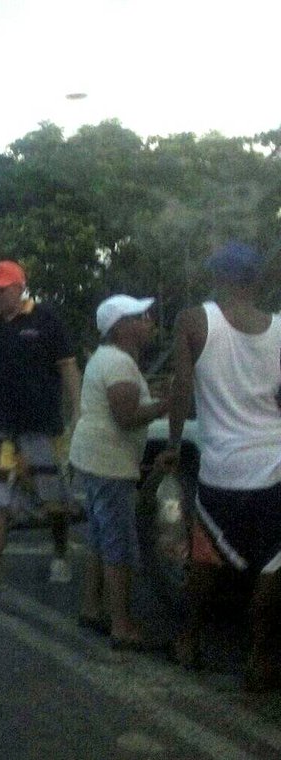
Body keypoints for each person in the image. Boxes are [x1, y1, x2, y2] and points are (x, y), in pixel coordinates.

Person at [164, 242, 281, 692]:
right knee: (272, 569)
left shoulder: (194, 321)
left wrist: (174, 445)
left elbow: (181, 388)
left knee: (206, 561)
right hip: (273, 471)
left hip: (222, 470)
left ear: (217, 278)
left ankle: (189, 641)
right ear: (257, 280)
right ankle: (260, 656)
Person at [0, 260, 81, 593]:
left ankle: (60, 555)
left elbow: (68, 368)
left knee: (53, 497)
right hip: (1, 428)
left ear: (19, 288)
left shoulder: (45, 319)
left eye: (1, 289)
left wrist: (77, 413)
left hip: (42, 427)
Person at [69, 295, 167, 650]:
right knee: (119, 543)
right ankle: (122, 626)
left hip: (94, 457)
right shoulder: (120, 363)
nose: (148, 321)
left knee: (99, 537)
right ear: (121, 326)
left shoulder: (107, 359)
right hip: (109, 462)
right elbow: (126, 417)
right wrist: (164, 405)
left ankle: (92, 608)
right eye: (140, 316)